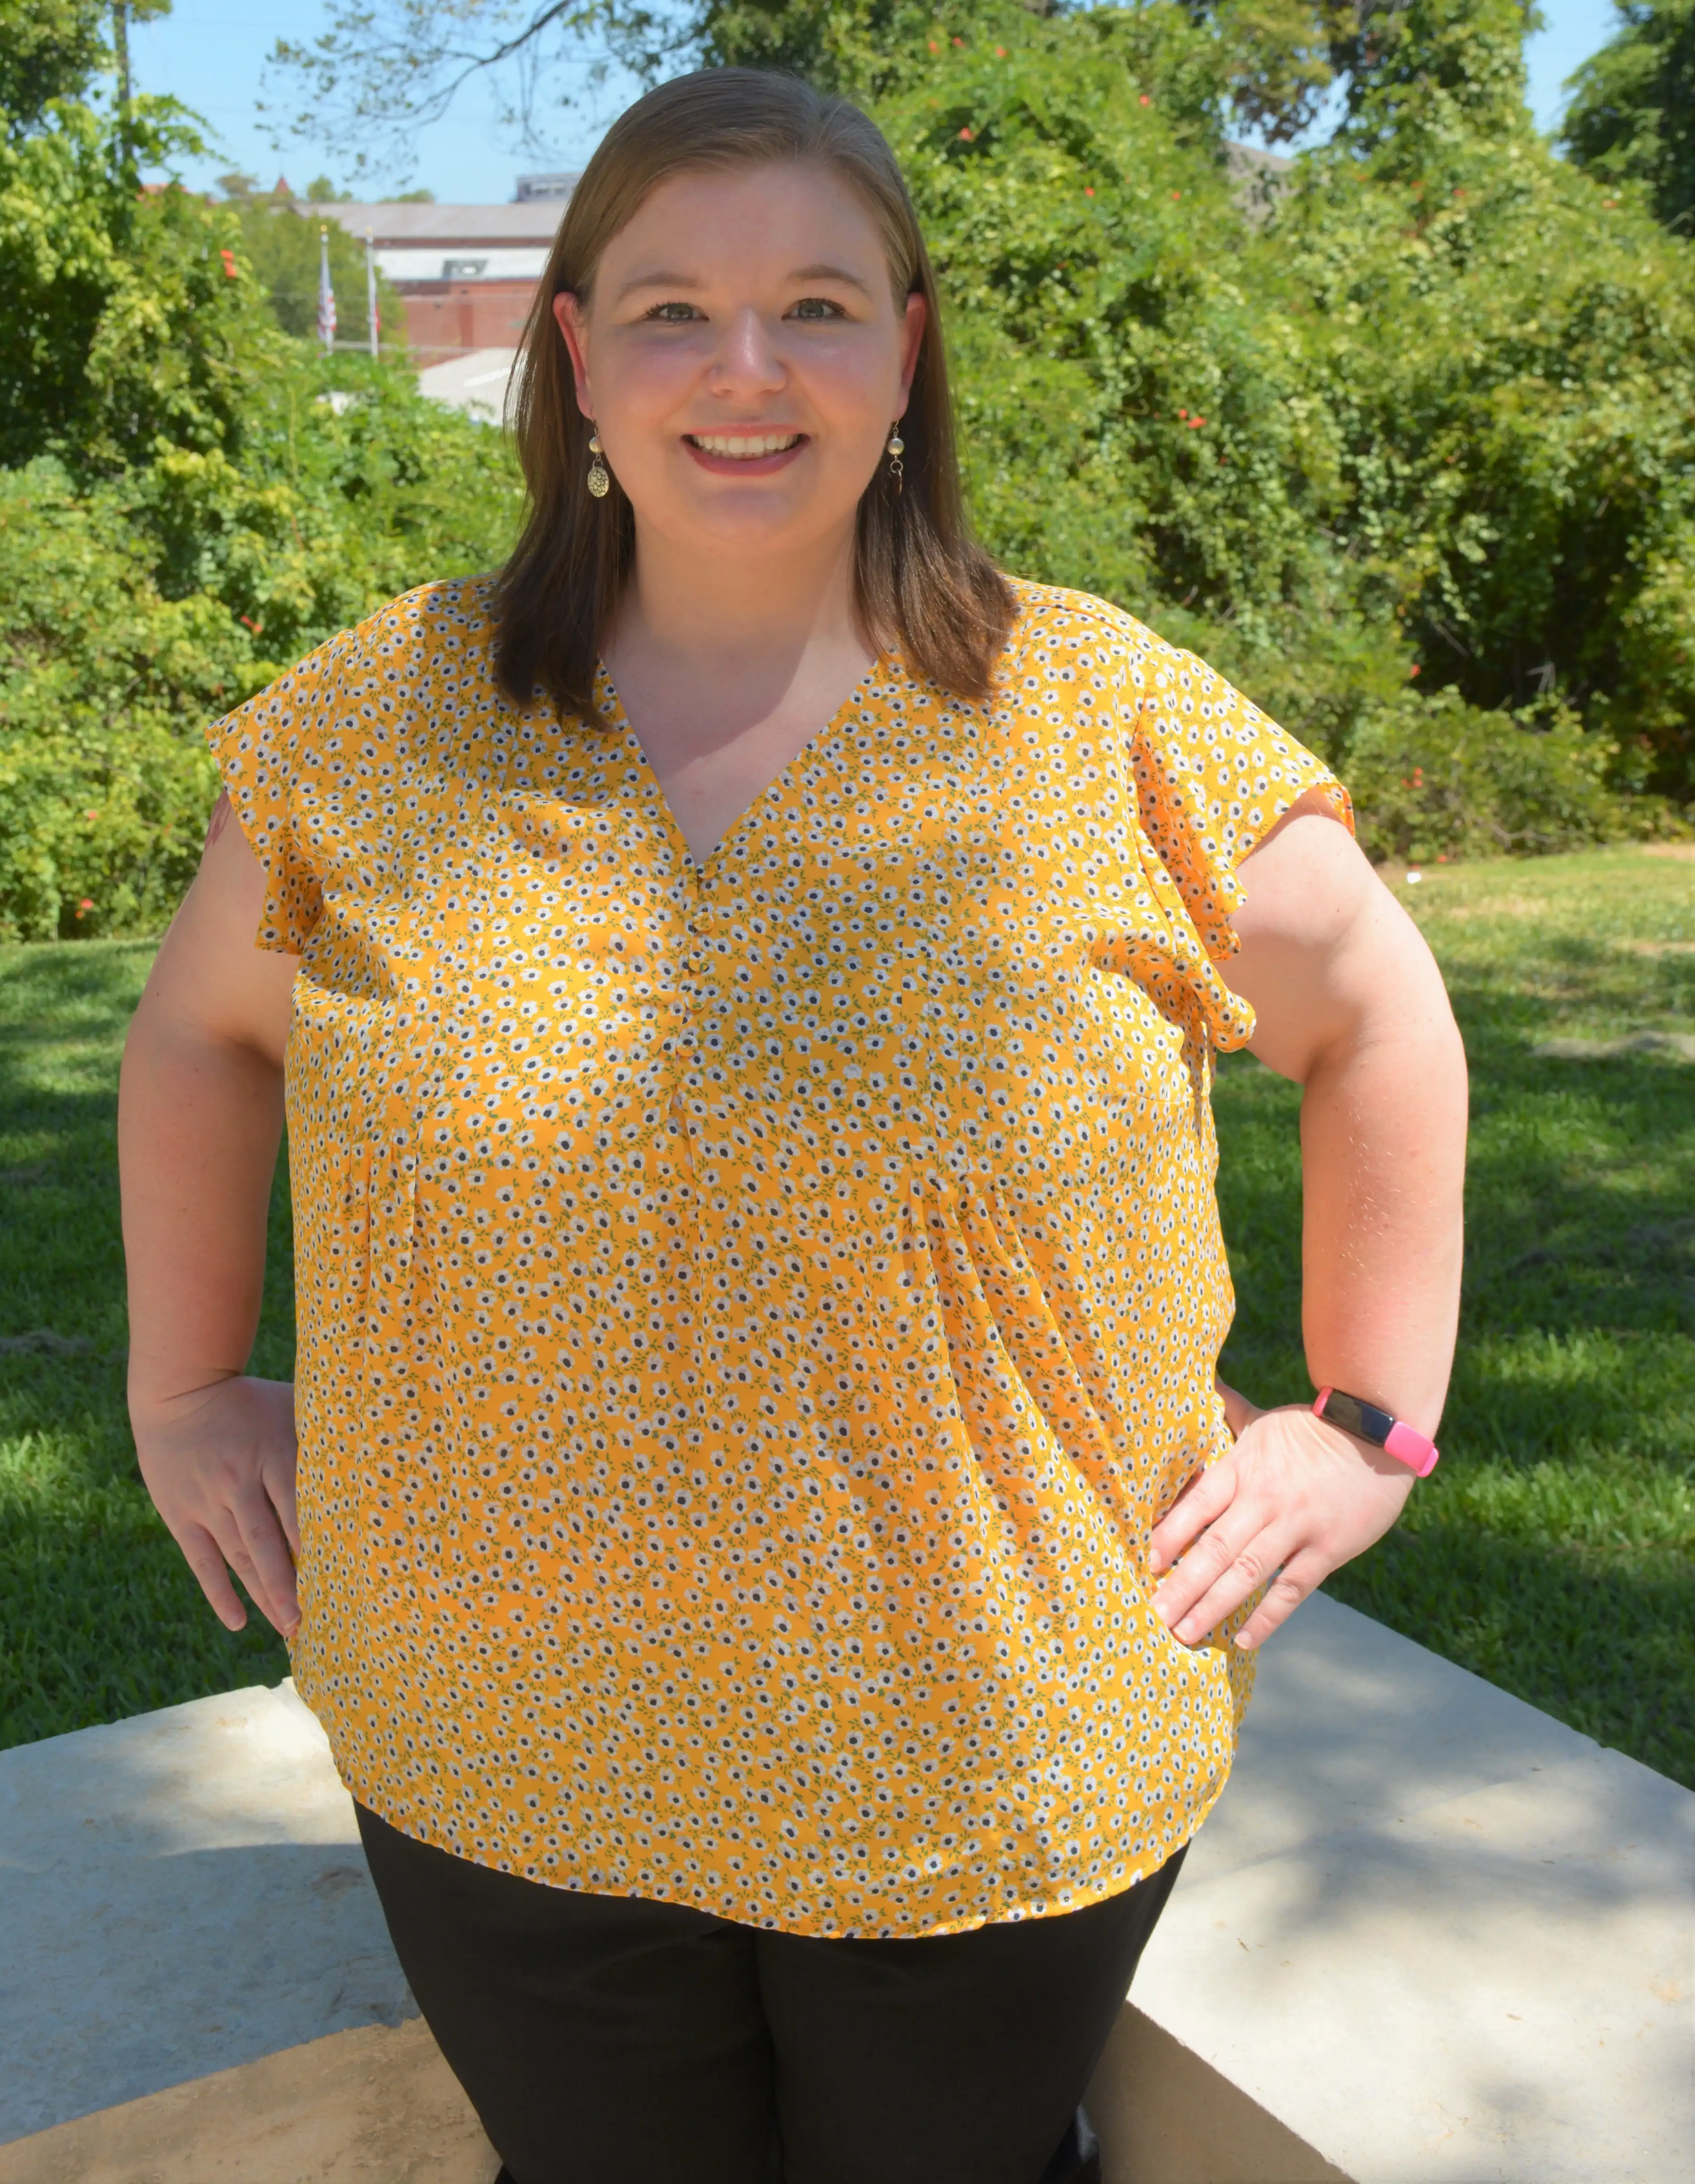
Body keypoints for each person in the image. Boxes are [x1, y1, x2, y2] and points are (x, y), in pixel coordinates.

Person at [118, 68, 1466, 2184]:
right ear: (571, 354)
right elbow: (201, 1035)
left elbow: (1381, 1011)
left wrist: (1369, 1419)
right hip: (496, 1740)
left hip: (990, 1758)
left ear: (907, 345)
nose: (744, 372)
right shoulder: (374, 729)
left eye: (818, 306)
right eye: (668, 311)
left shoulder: (1105, 726)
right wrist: (186, 1382)